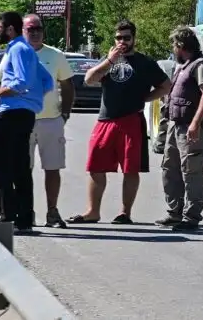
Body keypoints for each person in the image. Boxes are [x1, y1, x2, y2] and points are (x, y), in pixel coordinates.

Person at [70, 19, 170, 225]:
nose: (122, 41)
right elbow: (89, 79)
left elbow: (166, 86)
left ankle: (125, 213)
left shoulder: (145, 63)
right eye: (118, 38)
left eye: (126, 38)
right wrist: (109, 61)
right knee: (95, 167)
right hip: (105, 121)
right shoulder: (109, 61)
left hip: (131, 120)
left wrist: (145, 99)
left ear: (134, 39)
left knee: (130, 169)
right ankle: (93, 212)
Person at [0, 12, 52, 235]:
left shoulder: (18, 49)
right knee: (20, 167)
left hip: (10, 113)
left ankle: (7, 219)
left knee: (0, 169)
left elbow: (21, 83)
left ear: (10, 29)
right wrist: (32, 100)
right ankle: (23, 220)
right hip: (25, 114)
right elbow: (47, 81)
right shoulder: (25, 49)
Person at [157, 26, 203, 231]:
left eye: (174, 45)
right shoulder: (182, 65)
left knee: (192, 171)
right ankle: (174, 213)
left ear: (181, 46)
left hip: (191, 128)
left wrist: (195, 123)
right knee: (169, 168)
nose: (173, 49)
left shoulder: (200, 66)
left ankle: (191, 217)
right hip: (176, 125)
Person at [22, 15, 75, 228]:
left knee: (52, 169)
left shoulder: (56, 55)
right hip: (22, 122)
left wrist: (65, 114)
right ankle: (26, 213)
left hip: (51, 121)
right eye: (30, 29)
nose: (35, 32)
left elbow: (68, 85)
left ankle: (52, 212)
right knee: (22, 171)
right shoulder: (14, 54)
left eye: (38, 28)